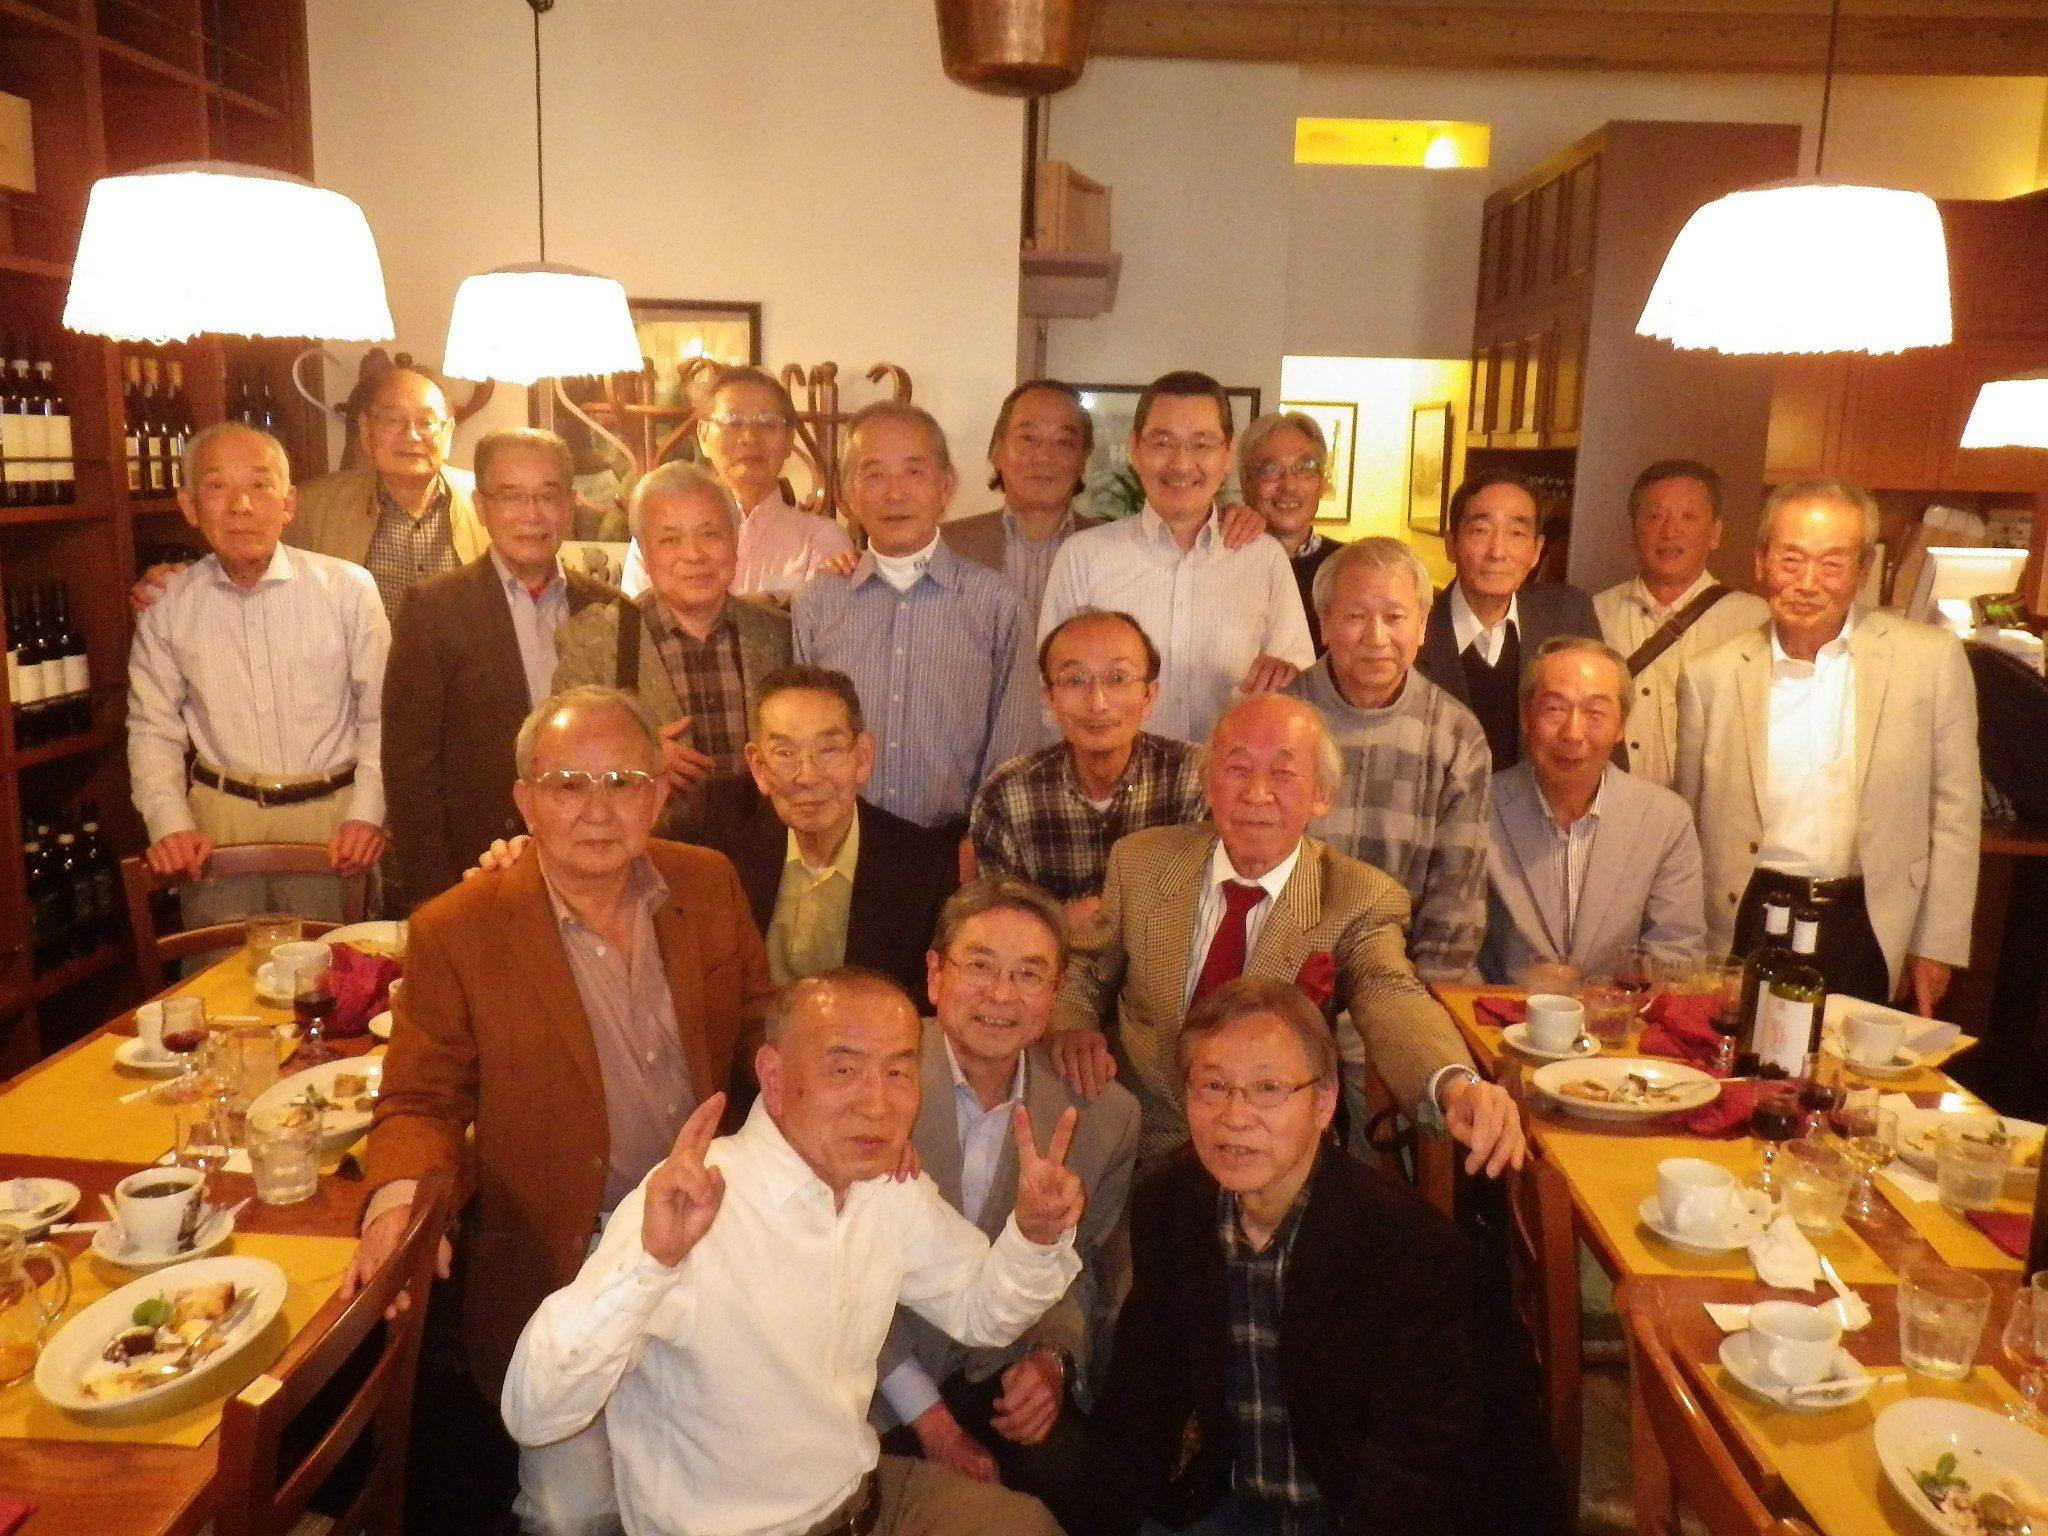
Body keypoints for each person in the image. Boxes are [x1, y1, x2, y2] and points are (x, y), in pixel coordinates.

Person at [350, 685, 774, 1530]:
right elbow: (420, 1098)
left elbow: (763, 1032)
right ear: (524, 800)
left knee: (731, 1484)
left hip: (710, 1232)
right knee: (574, 1512)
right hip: (562, 1260)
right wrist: (397, 1204)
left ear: (658, 792)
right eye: (567, 785)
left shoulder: (708, 883)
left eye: (623, 781)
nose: (597, 809)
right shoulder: (458, 929)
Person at [500, 968, 1081, 1536]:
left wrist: (1033, 1233)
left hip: (863, 1498)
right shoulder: (697, 1203)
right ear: (773, 1078)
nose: (877, 1103)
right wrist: (650, 1267)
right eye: (844, 1069)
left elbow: (983, 1311)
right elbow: (535, 1411)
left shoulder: (884, 1190)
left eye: (898, 1071)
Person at [1065, 976, 1478, 1536]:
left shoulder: (1408, 1248)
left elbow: (1417, 1465)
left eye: (1267, 1088)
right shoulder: (1171, 1207)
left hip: (1350, 1512)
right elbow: (1143, 1395)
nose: (1235, 1117)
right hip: (1230, 1503)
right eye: (1213, 1085)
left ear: (1324, 1102)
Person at [1048, 694, 1522, 1176]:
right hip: (1140, 1148)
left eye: (1283, 772)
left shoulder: (1357, 896)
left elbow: (1393, 997)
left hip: (1275, 1159)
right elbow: (1088, 968)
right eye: (1237, 769)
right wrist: (1073, 1023)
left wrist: (1455, 1085)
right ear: (1207, 785)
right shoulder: (1141, 862)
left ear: (1322, 795)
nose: (1257, 793)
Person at [876, 878, 1141, 1503]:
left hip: (1002, 1358)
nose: (1001, 995)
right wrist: (935, 1426)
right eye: (980, 966)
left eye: (1028, 974)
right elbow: (826, 1266)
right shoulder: (872, 1081)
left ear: (1055, 992)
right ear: (935, 975)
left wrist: (1052, 1359)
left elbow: (1085, 1267)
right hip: (875, 1372)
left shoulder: (1103, 1115)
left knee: (1091, 1486)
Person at [1677, 477, 1980, 1013]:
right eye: (1791, 560)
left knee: (1853, 1064)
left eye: (1832, 564)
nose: (1808, 583)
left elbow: (1955, 811)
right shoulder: (1711, 677)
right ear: (1760, 561)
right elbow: (1689, 821)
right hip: (1747, 915)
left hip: (1869, 918)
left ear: (1863, 569)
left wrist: (1937, 943)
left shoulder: (1930, 660)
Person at [127, 422, 388, 927]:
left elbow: (382, 716)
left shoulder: (348, 590)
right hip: (217, 825)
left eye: (260, 485)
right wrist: (169, 824)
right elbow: (152, 728)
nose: (240, 505)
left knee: (335, 968)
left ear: (288, 503)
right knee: (219, 969)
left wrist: (367, 814)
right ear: (189, 506)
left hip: (332, 823)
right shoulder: (168, 604)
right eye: (217, 486)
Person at [382, 427, 616, 907]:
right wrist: (437, 898)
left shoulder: (611, 610)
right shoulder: (433, 611)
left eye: (547, 495)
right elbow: (410, 771)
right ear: (481, 506)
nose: (532, 514)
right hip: (477, 868)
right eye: (511, 496)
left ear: (570, 504)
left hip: (594, 862)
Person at [792, 400, 1040, 833]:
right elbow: (800, 732)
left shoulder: (996, 603)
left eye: (914, 471)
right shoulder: (817, 601)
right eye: (874, 474)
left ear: (946, 486)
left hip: (953, 841)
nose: (895, 493)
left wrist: (984, 840)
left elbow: (1013, 746)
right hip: (840, 837)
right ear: (846, 494)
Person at [1040, 371, 1316, 744]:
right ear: (1135, 448)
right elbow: (1051, 697)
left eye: (1201, 444)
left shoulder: (1263, 559)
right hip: (1114, 778)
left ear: (1227, 454)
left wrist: (1277, 681)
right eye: (1163, 442)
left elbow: (1298, 691)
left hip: (1227, 776)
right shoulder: (1083, 557)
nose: (1182, 464)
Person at [1284, 538, 1492, 983]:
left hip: (1401, 976)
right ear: (1324, 624)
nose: (1376, 638)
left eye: (1395, 617)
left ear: (1422, 626)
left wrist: (1415, 1000)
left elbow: (1456, 904)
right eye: (1356, 616)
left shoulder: (1457, 736)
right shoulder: (1278, 719)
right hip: (1284, 972)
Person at [554, 460, 791, 840]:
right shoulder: (594, 642)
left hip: (767, 850)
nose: (694, 554)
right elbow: (562, 764)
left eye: (710, 534)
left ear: (735, 541)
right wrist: (633, 758)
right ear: (645, 554)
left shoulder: (779, 635)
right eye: (669, 539)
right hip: (645, 854)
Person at [706, 664, 958, 1001]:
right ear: (759, 766)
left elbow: (923, 1000)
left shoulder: (923, 866)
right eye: (784, 753)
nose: (806, 776)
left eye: (828, 750)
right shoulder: (714, 834)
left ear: (863, 757)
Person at [1481, 637, 1706, 985]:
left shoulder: (1665, 820)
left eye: (1594, 713)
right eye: (1555, 709)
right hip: (1492, 1013)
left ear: (1621, 725)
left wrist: (1596, 999)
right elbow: (1450, 950)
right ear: (1526, 717)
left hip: (1619, 1016)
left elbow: (1676, 955)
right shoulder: (1477, 807)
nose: (1573, 733)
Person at [970, 609, 1204, 923]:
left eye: (1118, 678)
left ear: (1148, 696)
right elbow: (1001, 926)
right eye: (1076, 680)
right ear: (1050, 698)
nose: (1097, 703)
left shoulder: (1196, 777)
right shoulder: (1007, 794)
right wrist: (1065, 922)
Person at [1592, 460, 1770, 787]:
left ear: (1715, 533)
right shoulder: (1594, 614)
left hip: (1707, 810)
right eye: (1654, 516)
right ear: (1633, 530)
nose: (1670, 531)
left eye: (1688, 516)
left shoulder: (1755, 621)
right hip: (1613, 806)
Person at [1414, 470, 1601, 771]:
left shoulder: (1568, 615)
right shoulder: (1413, 629)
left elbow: (1599, 727)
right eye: (1480, 531)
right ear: (1451, 544)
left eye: (1516, 534)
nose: (1497, 552)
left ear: (1536, 550)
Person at [620, 364, 855, 602]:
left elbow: (823, 619)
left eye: (767, 423)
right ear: (703, 435)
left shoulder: (821, 540)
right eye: (733, 422)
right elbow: (640, 618)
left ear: (788, 440)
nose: (749, 437)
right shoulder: (657, 535)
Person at [290, 366, 485, 619]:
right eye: (393, 420)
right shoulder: (311, 508)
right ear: (365, 430)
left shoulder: (489, 502)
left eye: (426, 422)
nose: (411, 435)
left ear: (447, 433)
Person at [940, 378, 1104, 620]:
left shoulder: (1111, 551)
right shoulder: (945, 546)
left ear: (1083, 460)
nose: (1044, 456)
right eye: (1028, 438)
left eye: (1063, 442)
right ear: (997, 452)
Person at [1239, 410, 1340, 652]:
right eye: (1270, 469)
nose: (1289, 485)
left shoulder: (1347, 567)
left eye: (1305, 467)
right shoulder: (1221, 562)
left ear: (1321, 482)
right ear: (1246, 482)